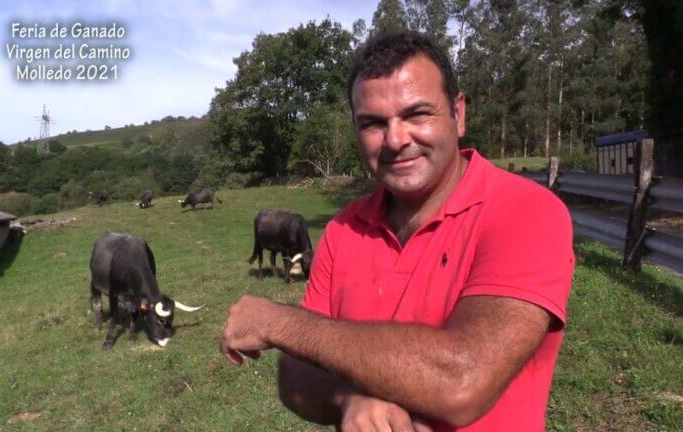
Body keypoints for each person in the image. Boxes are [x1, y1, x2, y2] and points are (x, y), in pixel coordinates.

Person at [221, 30, 575, 432]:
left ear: (458, 114)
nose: (395, 139)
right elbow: (296, 374)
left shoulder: (525, 212)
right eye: (373, 123)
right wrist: (347, 398)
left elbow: (462, 382)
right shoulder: (344, 229)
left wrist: (279, 323)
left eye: (417, 114)